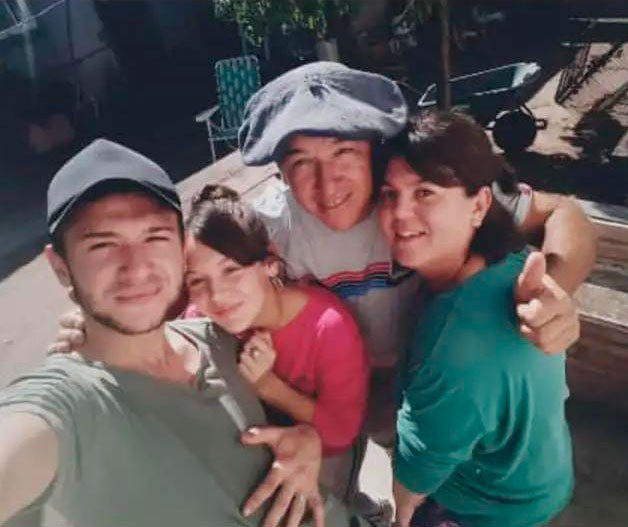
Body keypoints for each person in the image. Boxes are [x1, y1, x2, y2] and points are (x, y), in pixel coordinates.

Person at [0, 140, 369, 527]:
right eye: (102, 245)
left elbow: (336, 429)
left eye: (155, 237)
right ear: (60, 267)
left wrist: (306, 438)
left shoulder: (217, 337)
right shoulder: (64, 408)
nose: (136, 268)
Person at [237, 61, 595, 446]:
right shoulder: (269, 228)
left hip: (444, 370)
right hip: (345, 390)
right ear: (281, 172)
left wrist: (550, 294)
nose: (328, 185)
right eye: (302, 163)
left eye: (344, 152)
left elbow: (563, 213)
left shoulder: (424, 193)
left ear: (375, 151)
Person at [377, 111, 573, 527]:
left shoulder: (451, 344)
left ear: (480, 205)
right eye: (390, 194)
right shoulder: (506, 264)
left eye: (425, 193)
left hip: (487, 509)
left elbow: (415, 477)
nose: (400, 213)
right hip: (540, 479)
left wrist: (401, 517)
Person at [183, 183, 370, 499]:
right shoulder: (200, 322)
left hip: (324, 456)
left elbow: (341, 433)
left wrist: (267, 386)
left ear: (269, 264)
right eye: (198, 281)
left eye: (231, 270)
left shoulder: (328, 328)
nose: (216, 295)